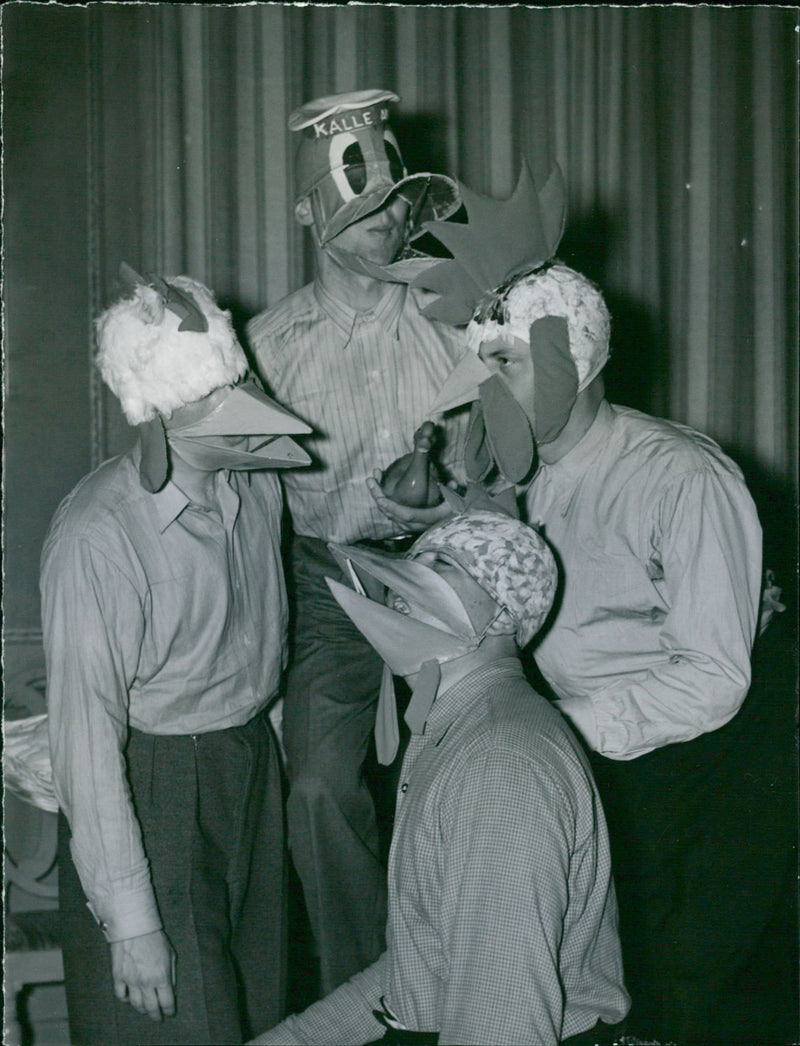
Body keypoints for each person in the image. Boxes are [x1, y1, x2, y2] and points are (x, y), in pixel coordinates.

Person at [371, 166, 796, 1044]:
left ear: (576, 356)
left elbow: (716, 678)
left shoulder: (683, 477)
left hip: (684, 776)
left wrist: (557, 731)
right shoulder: (508, 466)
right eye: (480, 365)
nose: (484, 390)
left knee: (669, 999)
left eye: (505, 365)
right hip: (568, 757)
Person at [41, 266, 311, 1045]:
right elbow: (85, 741)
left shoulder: (259, 488)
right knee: (178, 1025)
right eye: (213, 395)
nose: (243, 406)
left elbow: (267, 649)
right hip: (152, 785)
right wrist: (130, 923)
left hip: (248, 766)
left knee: (256, 1016)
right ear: (158, 414)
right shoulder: (98, 536)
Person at [249, 509, 630, 1046]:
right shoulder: (458, 725)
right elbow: (420, 968)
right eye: (411, 562)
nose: (402, 587)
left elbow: (501, 1025)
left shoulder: (499, 765)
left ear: (500, 615)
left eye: (441, 564)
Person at [246, 88, 470, 994]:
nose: (386, 222)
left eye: (395, 201)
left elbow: (516, 460)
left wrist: (457, 500)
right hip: (327, 586)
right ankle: (368, 991)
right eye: (361, 204)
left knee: (468, 776)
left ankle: (465, 967)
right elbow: (249, 510)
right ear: (310, 214)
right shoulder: (264, 352)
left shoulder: (452, 317)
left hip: (449, 571)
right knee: (319, 793)